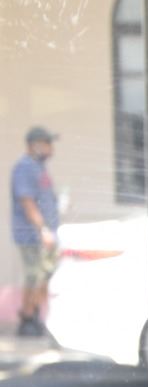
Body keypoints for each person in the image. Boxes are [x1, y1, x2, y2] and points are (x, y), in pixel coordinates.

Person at [10, 127, 60, 337]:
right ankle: (27, 317)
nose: (50, 148)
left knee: (44, 274)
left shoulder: (39, 168)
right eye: (47, 142)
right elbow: (28, 202)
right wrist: (43, 230)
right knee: (33, 275)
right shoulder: (24, 168)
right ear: (34, 144)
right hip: (33, 235)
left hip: (45, 233)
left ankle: (38, 315)